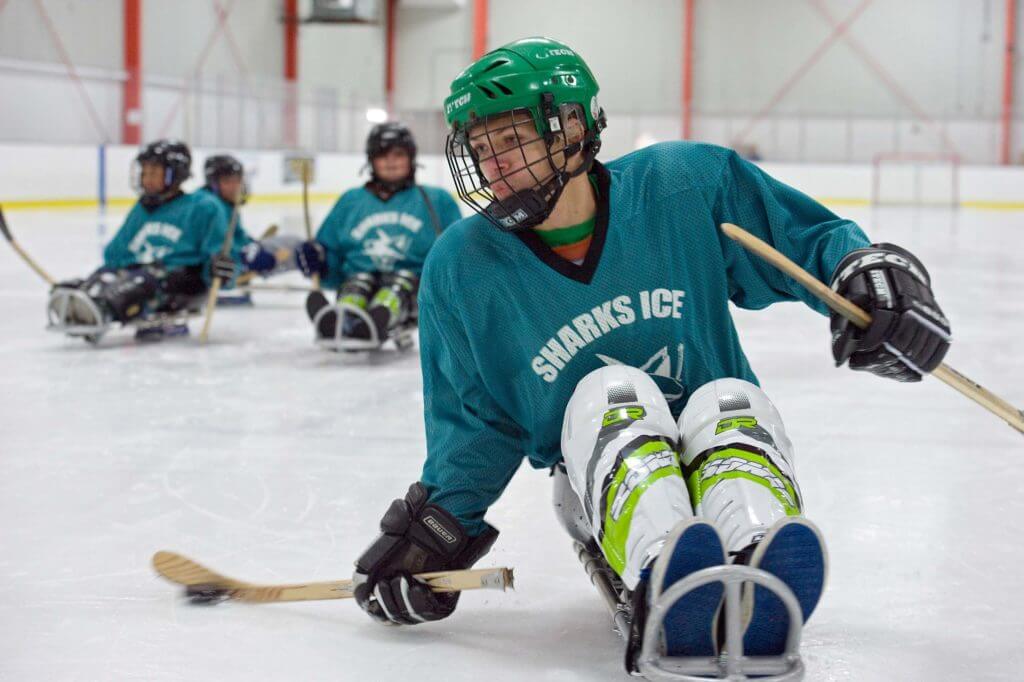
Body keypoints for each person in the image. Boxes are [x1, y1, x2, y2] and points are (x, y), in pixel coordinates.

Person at [348, 37, 952, 672]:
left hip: (715, 441)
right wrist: (435, 532)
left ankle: (757, 564)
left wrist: (866, 277)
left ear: (573, 128)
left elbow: (810, 240)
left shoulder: (682, 186)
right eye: (479, 149)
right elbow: (477, 423)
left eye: (510, 141)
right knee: (613, 398)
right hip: (594, 477)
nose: (492, 167)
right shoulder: (462, 267)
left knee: (727, 401)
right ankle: (668, 572)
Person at [293, 122, 462, 350]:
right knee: (357, 284)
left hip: (413, 288)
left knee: (397, 286)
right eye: (382, 155)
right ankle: (342, 319)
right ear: (371, 160)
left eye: (398, 154)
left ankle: (375, 321)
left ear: (411, 158)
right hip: (359, 276)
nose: (390, 161)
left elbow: (456, 253)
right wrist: (319, 259)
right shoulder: (350, 202)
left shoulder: (437, 200)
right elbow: (331, 256)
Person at [47, 139, 234, 342]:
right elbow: (115, 254)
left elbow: (220, 253)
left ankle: (103, 308)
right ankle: (87, 298)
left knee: (142, 281)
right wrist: (103, 276)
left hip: (184, 280)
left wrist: (221, 269)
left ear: (175, 174)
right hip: (145, 272)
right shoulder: (143, 209)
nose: (147, 179)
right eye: (144, 172)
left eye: (154, 173)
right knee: (110, 275)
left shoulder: (203, 207)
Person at [198, 154, 301, 285]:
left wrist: (250, 245)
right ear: (213, 183)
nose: (235, 187)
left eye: (237, 181)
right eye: (227, 181)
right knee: (296, 246)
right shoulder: (210, 206)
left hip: (233, 262)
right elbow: (215, 246)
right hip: (220, 270)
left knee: (292, 243)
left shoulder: (224, 204)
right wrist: (249, 258)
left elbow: (237, 236)